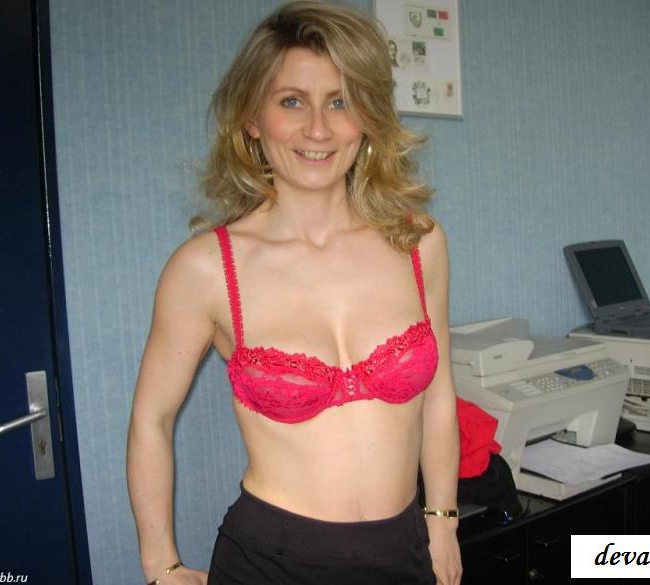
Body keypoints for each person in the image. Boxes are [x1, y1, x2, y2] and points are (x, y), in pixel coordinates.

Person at [126, 1, 461, 584]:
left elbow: (438, 397)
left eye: (341, 101)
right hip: (269, 562)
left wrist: (442, 523)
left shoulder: (418, 243)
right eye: (291, 101)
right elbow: (151, 419)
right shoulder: (206, 269)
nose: (318, 129)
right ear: (252, 118)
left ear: (369, 116)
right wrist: (161, 567)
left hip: (404, 552)